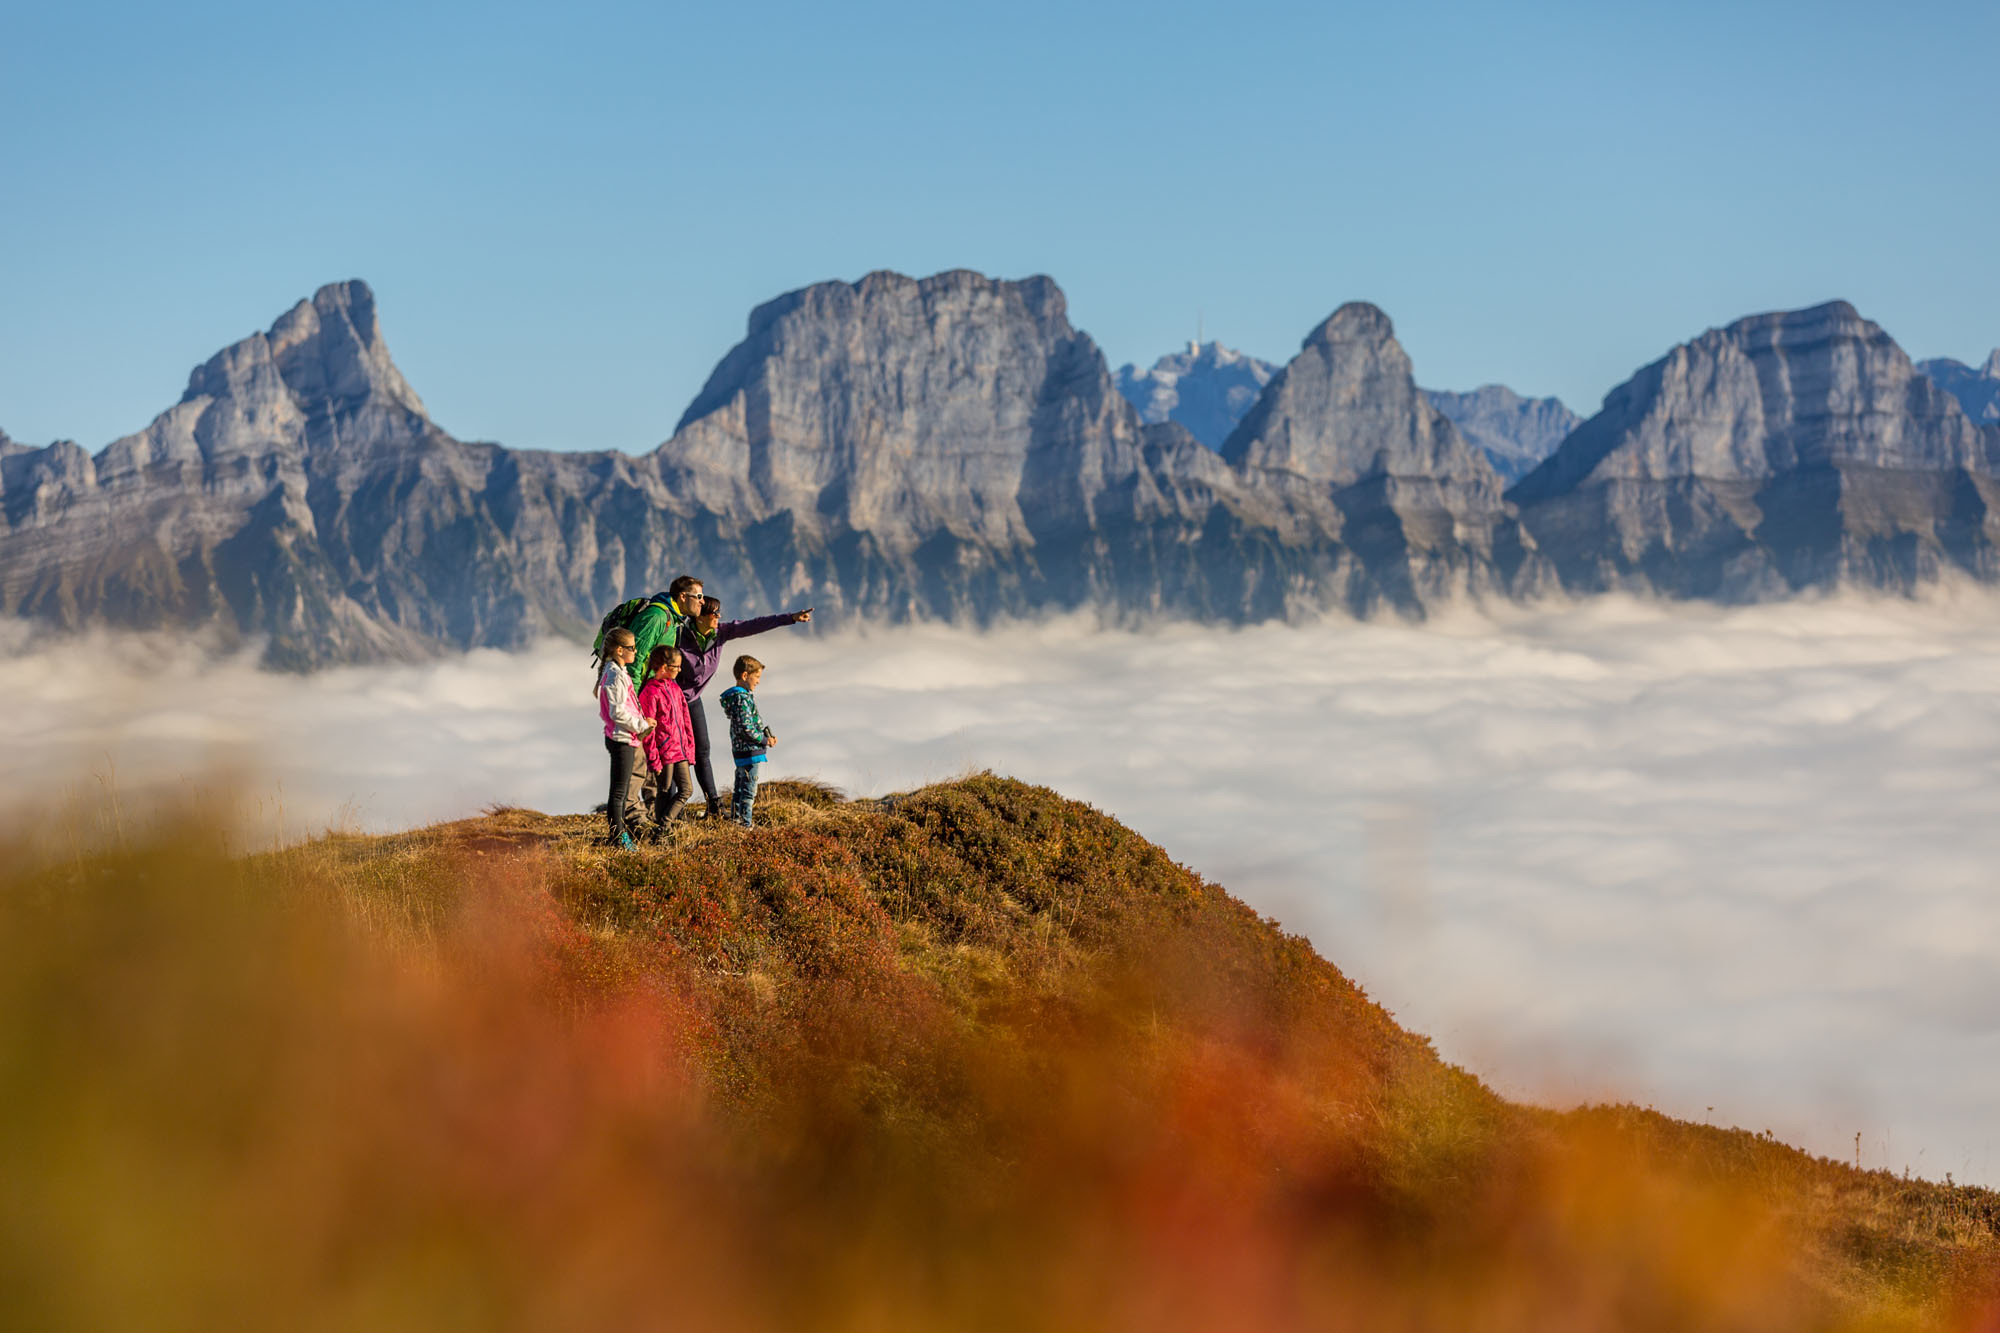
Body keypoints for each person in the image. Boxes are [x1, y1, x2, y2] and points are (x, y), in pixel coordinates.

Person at [671, 593, 812, 819]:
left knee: (702, 750)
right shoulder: (679, 635)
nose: (718, 616)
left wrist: (791, 618)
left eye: (719, 612)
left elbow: (753, 625)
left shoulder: (720, 633)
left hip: (693, 699)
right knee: (675, 754)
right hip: (672, 699)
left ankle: (713, 805)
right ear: (699, 616)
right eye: (713, 613)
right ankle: (671, 810)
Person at [594, 627, 653, 848]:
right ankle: (618, 838)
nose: (636, 652)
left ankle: (619, 835)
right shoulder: (614, 675)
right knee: (619, 792)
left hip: (626, 736)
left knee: (620, 790)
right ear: (619, 650)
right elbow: (617, 711)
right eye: (632, 648)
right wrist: (642, 725)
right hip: (622, 738)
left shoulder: (618, 671)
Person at [636, 644, 696, 837]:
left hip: (680, 751)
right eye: (676, 667)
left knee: (686, 789)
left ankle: (664, 824)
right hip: (664, 753)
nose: (680, 670)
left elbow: (686, 721)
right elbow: (648, 730)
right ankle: (662, 830)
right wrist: (654, 759)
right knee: (663, 789)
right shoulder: (650, 693)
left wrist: (689, 749)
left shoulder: (675, 689)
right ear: (663, 668)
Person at [717, 655, 775, 828]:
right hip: (750, 751)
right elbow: (746, 728)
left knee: (739, 788)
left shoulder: (736, 698)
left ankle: (736, 820)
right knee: (749, 791)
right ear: (744, 676)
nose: (758, 681)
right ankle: (745, 825)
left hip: (740, 750)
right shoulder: (742, 699)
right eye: (756, 677)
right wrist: (764, 740)